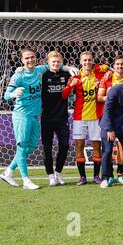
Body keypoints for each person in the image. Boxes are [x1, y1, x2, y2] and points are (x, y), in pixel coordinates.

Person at [0, 49, 77, 190]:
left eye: (32, 57)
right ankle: (25, 180)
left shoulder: (40, 70)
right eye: (27, 58)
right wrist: (13, 94)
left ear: (36, 58)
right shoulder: (18, 76)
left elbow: (54, 64)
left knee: (32, 146)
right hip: (22, 115)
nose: (30, 60)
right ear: (22, 60)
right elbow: (6, 95)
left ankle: (9, 172)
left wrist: (69, 67)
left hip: (36, 115)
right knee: (22, 147)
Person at [62, 51, 109, 186]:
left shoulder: (99, 75)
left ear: (93, 61)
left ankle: (96, 176)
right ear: (80, 62)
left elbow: (108, 68)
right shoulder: (75, 77)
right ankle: (82, 177)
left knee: (96, 146)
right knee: (79, 145)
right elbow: (64, 95)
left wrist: (105, 72)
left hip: (96, 117)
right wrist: (71, 85)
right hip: (79, 117)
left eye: (89, 60)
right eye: (85, 60)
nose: (87, 63)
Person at [41, 51, 71, 187]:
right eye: (53, 62)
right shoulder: (43, 76)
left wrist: (68, 68)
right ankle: (50, 176)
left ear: (61, 62)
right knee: (47, 148)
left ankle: (58, 173)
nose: (56, 64)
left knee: (64, 145)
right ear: (48, 62)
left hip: (62, 117)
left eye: (58, 61)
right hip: (46, 118)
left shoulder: (66, 74)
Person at [97, 55, 123, 184]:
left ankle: (120, 174)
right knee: (107, 149)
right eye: (117, 64)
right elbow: (99, 98)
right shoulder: (107, 79)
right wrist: (109, 96)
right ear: (113, 66)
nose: (120, 66)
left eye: (122, 64)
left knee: (122, 147)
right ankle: (107, 176)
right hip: (108, 119)